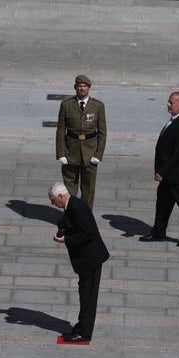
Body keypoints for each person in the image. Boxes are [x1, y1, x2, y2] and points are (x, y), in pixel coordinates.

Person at [139, 90, 179, 248]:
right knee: (162, 203)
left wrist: (163, 171)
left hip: (177, 175)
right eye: (168, 101)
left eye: (171, 102)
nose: (168, 105)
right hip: (169, 175)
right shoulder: (176, 119)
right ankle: (159, 232)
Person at [48, 181, 109, 344]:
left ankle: (85, 332)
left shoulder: (77, 207)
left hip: (91, 259)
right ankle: (82, 325)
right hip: (87, 260)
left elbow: (87, 234)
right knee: (84, 294)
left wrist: (65, 240)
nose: (52, 203)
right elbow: (68, 222)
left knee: (88, 297)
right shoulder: (71, 205)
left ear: (61, 196)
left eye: (53, 200)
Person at [54, 74, 107, 239]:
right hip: (71, 152)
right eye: (79, 86)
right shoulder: (66, 105)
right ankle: (70, 221)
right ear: (75, 87)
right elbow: (60, 130)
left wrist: (98, 154)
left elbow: (102, 132)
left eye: (84, 86)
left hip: (90, 152)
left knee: (88, 190)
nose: (82, 88)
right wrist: (61, 153)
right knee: (69, 190)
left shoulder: (98, 106)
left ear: (89, 88)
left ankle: (85, 220)